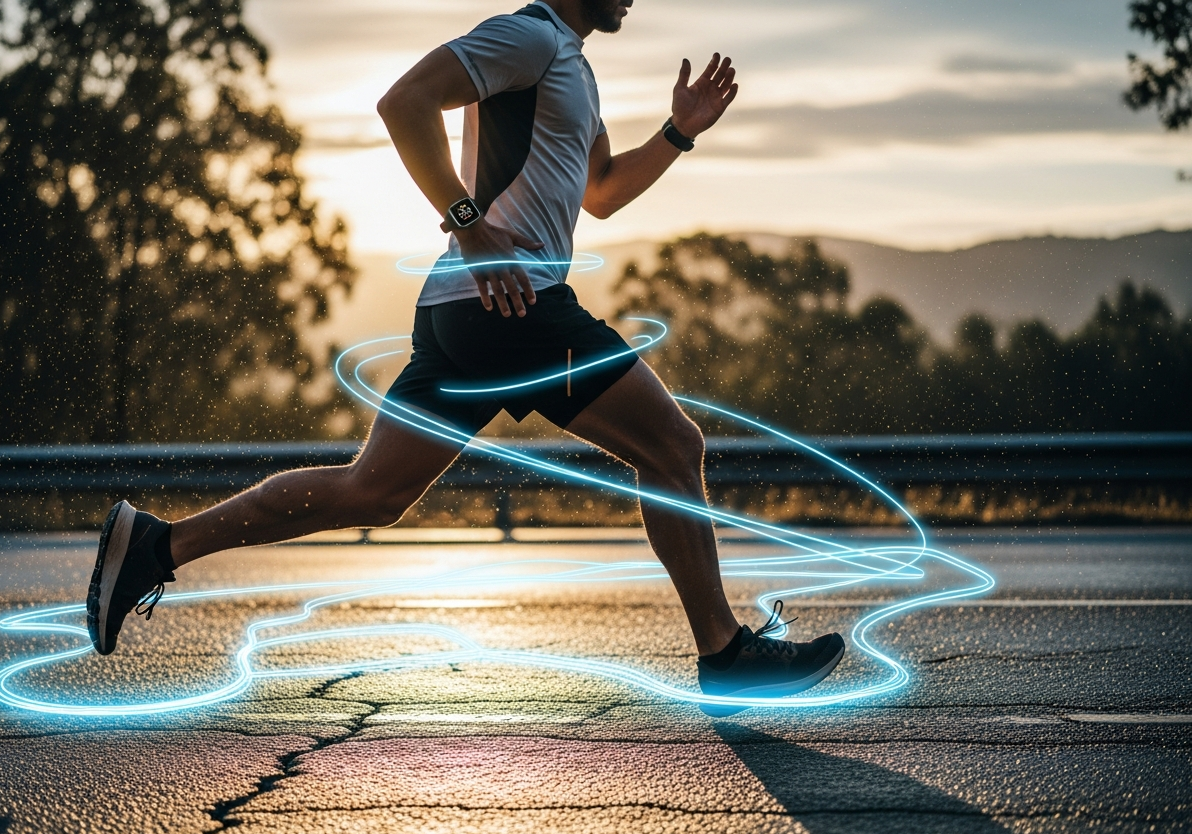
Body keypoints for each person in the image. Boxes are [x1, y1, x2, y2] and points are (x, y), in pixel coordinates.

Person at [85, 0, 845, 714]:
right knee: (675, 445)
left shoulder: (572, 65)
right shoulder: (531, 37)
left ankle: (157, 544)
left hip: (469, 310)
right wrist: (471, 228)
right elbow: (403, 102)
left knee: (370, 494)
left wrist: (678, 132)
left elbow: (603, 194)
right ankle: (724, 654)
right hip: (517, 301)